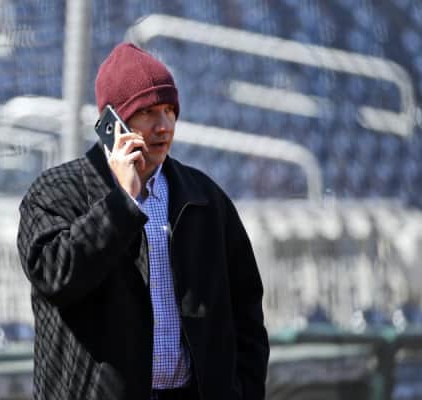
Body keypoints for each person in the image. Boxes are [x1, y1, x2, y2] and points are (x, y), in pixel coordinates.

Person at [17, 42, 269, 400]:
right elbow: (54, 277)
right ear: (113, 123)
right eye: (148, 112)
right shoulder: (54, 191)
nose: (164, 126)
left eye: (169, 111)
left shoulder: (204, 198)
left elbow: (246, 310)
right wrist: (123, 202)